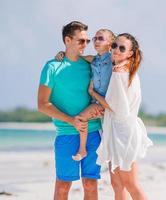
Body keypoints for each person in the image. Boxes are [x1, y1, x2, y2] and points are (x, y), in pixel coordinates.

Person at [38, 21, 103, 200]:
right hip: (66, 133)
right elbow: (42, 104)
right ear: (67, 40)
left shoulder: (90, 65)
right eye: (81, 41)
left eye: (87, 41)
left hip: (93, 132)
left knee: (90, 184)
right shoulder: (52, 67)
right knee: (63, 185)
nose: (85, 45)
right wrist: (71, 120)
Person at [95, 33, 153, 200]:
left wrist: (93, 93)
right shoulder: (124, 68)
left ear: (130, 53)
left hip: (124, 134)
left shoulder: (121, 72)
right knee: (117, 184)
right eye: (114, 46)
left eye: (122, 48)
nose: (116, 50)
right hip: (117, 132)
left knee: (130, 184)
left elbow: (115, 109)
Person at [55, 28, 116, 161]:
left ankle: (82, 150)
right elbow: (77, 57)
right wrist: (62, 54)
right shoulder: (93, 60)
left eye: (101, 38)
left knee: (82, 118)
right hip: (96, 103)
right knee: (96, 126)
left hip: (106, 103)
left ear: (111, 43)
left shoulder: (113, 60)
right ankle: (98, 152)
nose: (96, 41)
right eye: (94, 38)